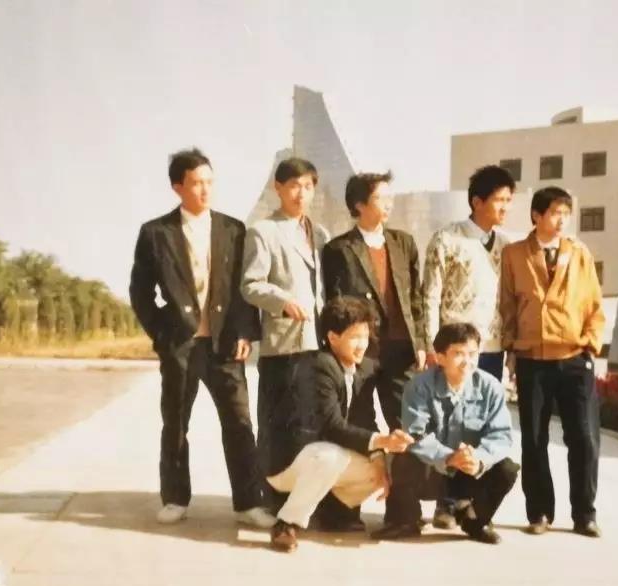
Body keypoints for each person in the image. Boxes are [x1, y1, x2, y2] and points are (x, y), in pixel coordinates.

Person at [129, 147, 273, 528]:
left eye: (210, 181)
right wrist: (162, 333)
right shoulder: (156, 233)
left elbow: (243, 288)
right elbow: (140, 292)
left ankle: (248, 502)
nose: (205, 189)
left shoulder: (232, 229)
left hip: (224, 345)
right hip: (181, 344)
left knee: (239, 422)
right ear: (178, 187)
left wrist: (245, 331)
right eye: (196, 183)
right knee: (176, 423)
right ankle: (175, 498)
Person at [241, 156, 347, 527]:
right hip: (283, 344)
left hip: (318, 345)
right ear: (278, 188)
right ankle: (272, 502)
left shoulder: (320, 234)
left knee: (313, 426)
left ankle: (306, 501)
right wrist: (282, 300)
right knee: (277, 427)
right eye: (293, 186)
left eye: (307, 186)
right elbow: (250, 284)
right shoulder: (263, 231)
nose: (301, 194)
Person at [265, 297, 414, 552]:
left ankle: (334, 512)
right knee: (329, 456)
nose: (362, 344)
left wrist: (379, 455)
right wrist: (382, 441)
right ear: (333, 338)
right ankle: (286, 523)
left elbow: (365, 418)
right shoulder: (317, 366)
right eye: (355, 337)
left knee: (379, 469)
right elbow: (331, 427)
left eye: (365, 336)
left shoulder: (365, 368)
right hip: (289, 463)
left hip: (322, 456)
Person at [498, 186, 605, 538]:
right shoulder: (514, 254)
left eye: (566, 214)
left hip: (575, 357)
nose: (561, 221)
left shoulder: (579, 253)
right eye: (555, 213)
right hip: (533, 358)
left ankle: (585, 514)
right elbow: (508, 305)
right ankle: (539, 512)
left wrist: (590, 345)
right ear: (537, 215)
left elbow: (594, 304)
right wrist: (512, 349)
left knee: (584, 438)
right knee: (534, 439)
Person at [421, 164, 515, 529]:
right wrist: (433, 346)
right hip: (455, 351)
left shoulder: (507, 246)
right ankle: (445, 503)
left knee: (481, 426)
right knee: (450, 425)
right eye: (499, 200)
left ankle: (469, 500)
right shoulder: (447, 239)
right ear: (477, 201)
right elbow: (429, 296)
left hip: (491, 348)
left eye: (508, 200)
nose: (505, 207)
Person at [372, 322, 519, 544]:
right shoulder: (419, 386)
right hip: (432, 471)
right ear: (440, 357)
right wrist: (449, 457)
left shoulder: (491, 387)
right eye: (458, 354)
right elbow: (415, 434)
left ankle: (475, 521)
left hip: (468, 471)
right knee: (403, 456)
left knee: (507, 469)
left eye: (472, 354)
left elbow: (501, 435)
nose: (467, 361)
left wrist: (478, 459)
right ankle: (404, 520)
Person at [321, 172, 425, 433]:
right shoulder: (339, 249)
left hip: (401, 347)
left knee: (408, 423)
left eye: (391, 197)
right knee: (360, 419)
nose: (389, 204)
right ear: (359, 204)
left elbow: (416, 298)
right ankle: (373, 460)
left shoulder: (404, 242)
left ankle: (405, 461)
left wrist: (422, 343)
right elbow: (335, 304)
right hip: (362, 349)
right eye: (381, 198)